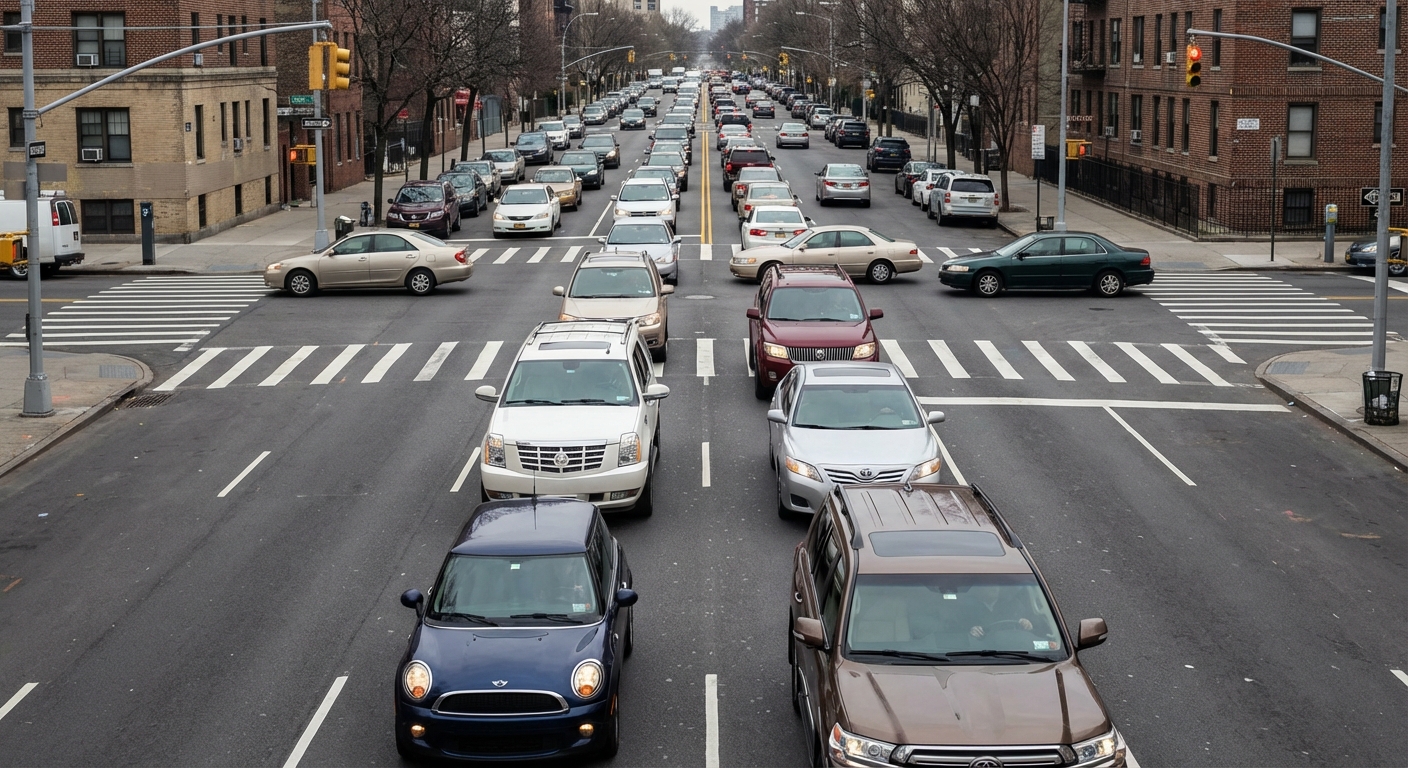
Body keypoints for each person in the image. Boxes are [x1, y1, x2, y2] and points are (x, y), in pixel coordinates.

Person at [958, 584, 1033, 639]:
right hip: (980, 649)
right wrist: (971, 631)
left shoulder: (1013, 605)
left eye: (996, 585)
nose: (994, 588)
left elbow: (1037, 629)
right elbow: (959, 631)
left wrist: (1026, 623)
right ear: (979, 590)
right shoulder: (968, 609)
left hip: (1012, 648)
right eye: (989, 586)